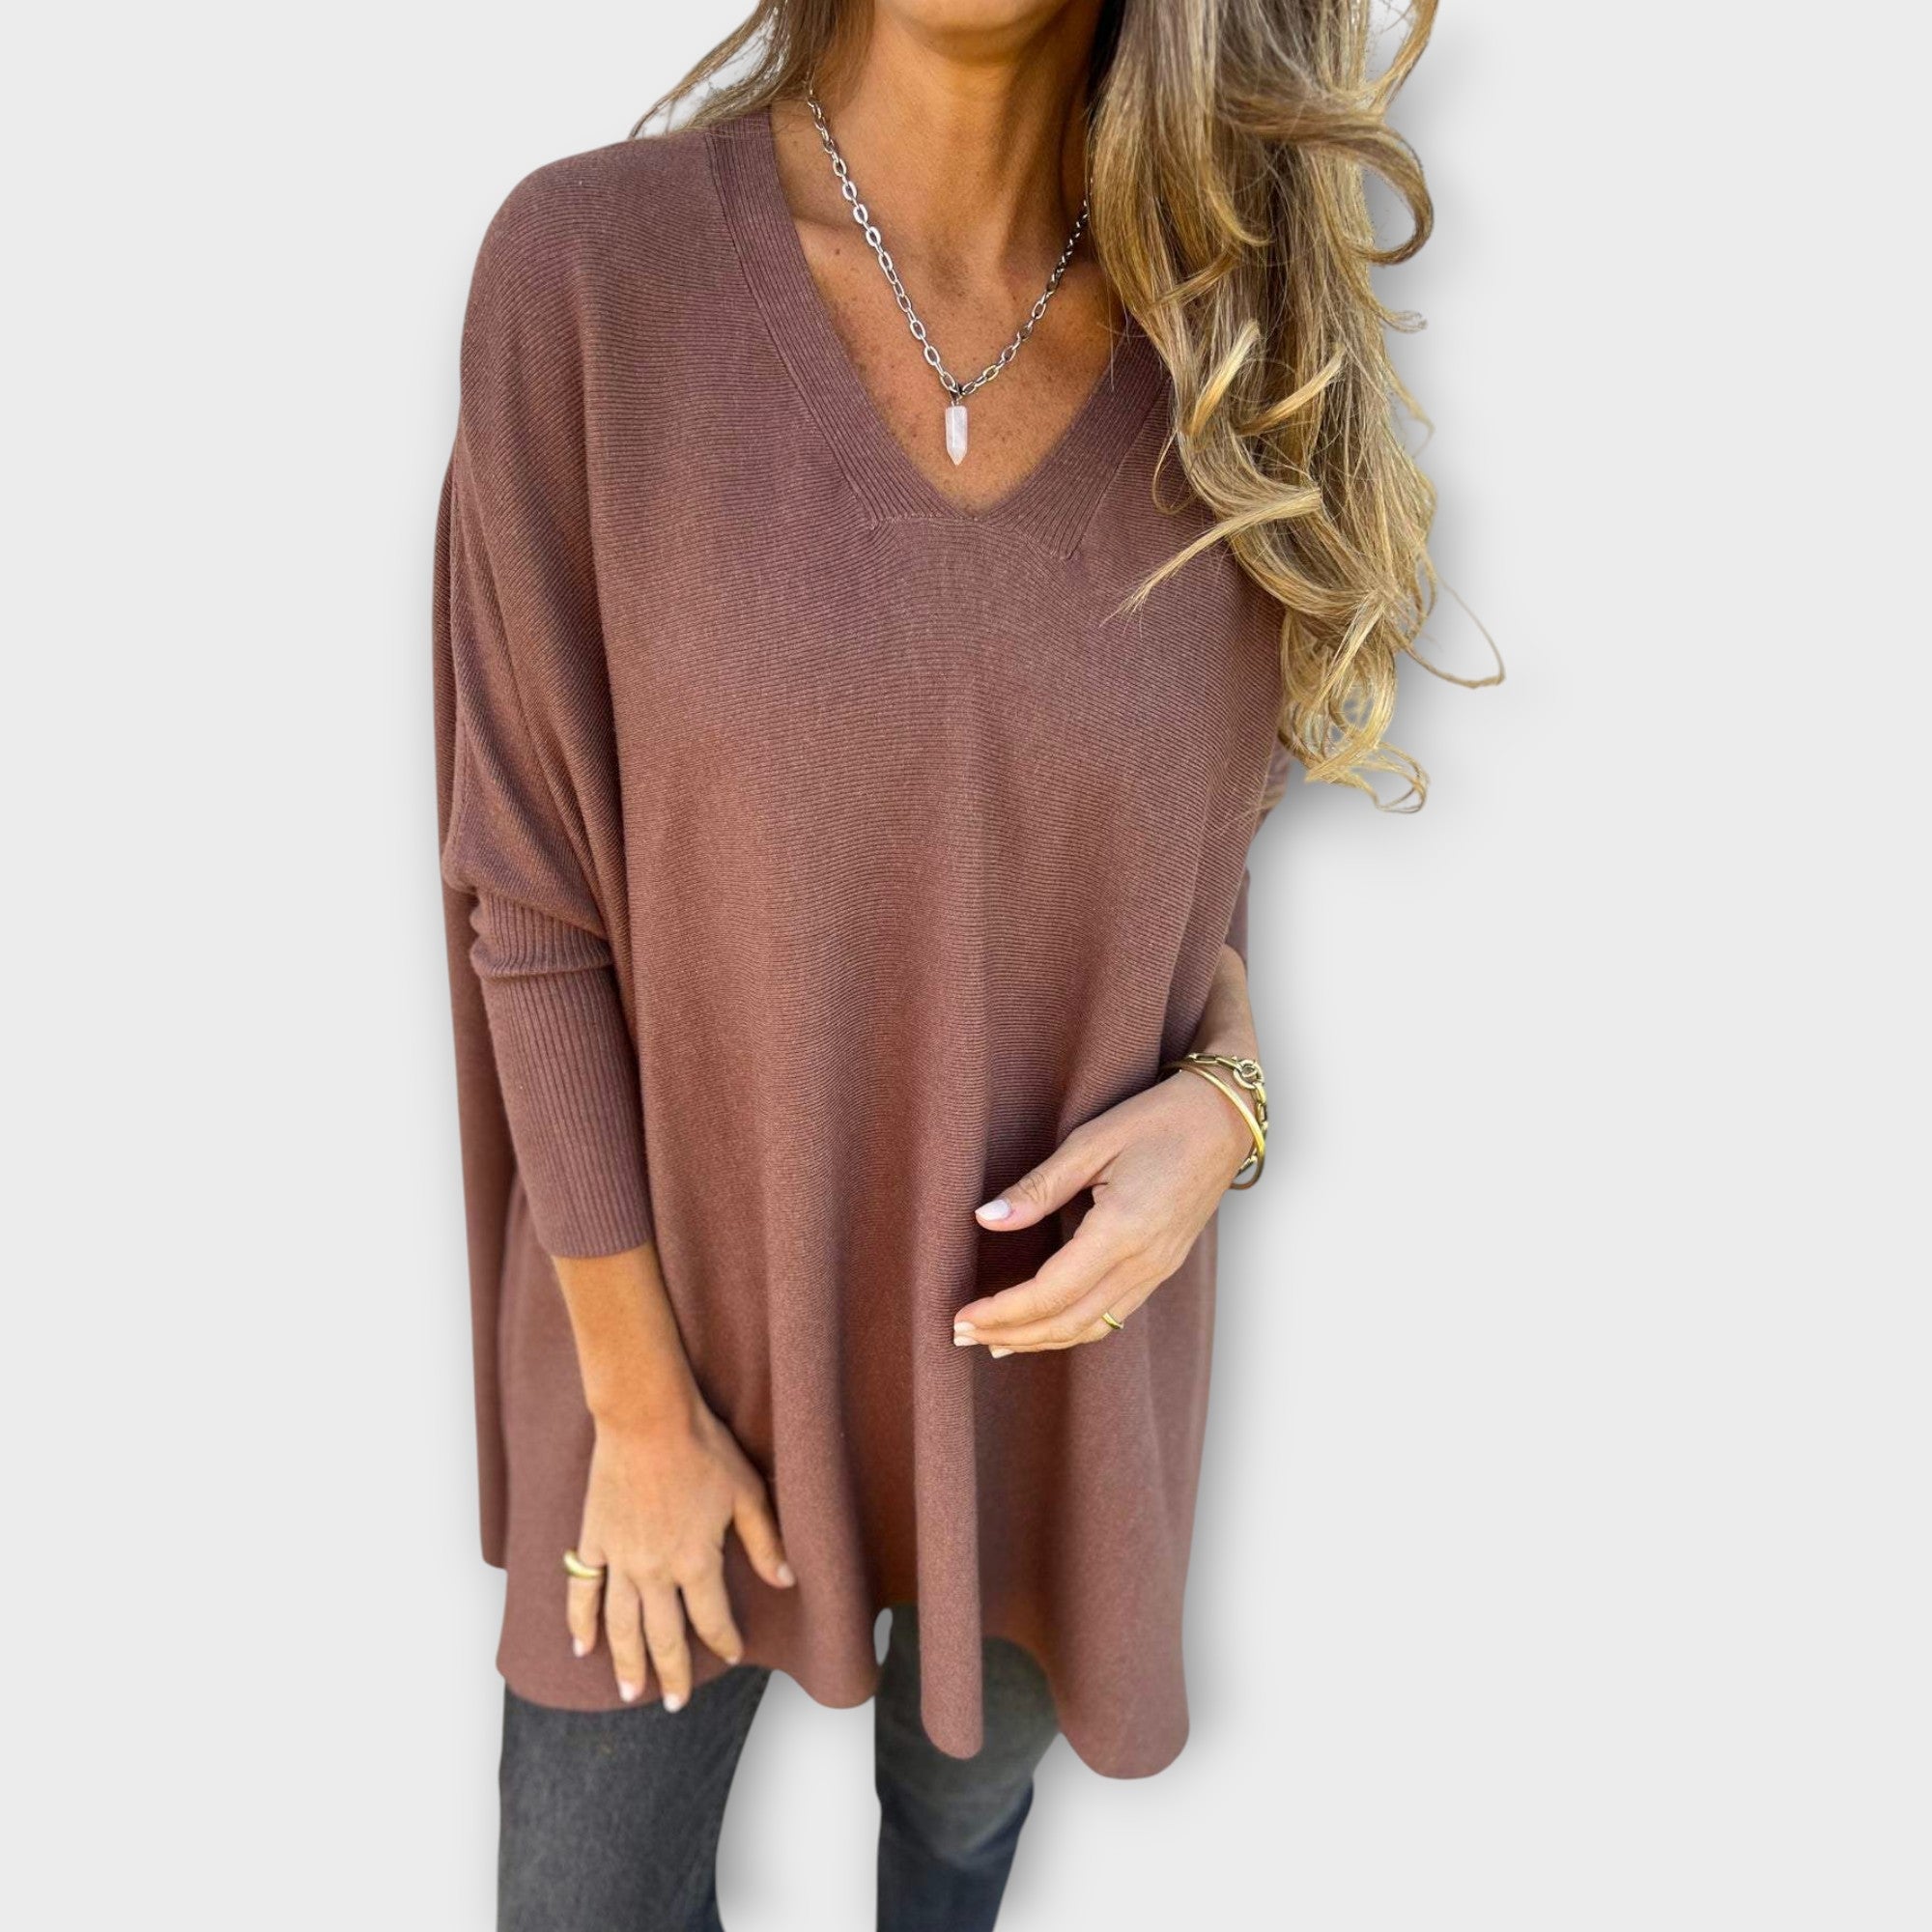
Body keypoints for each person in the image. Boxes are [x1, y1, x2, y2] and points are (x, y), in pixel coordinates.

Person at [432, 0, 1436, 1924]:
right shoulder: (591, 275)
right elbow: (532, 895)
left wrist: (1226, 1112)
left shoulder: (1236, 349)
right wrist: (635, 1412)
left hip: (1043, 1355)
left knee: (956, 1844)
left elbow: (1163, 874)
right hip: (662, 1336)